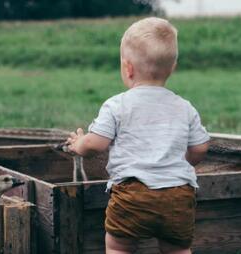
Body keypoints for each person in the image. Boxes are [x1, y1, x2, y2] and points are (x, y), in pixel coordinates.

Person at [66, 17, 210, 254]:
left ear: (128, 68)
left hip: (132, 194)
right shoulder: (184, 107)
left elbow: (95, 144)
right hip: (177, 196)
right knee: (177, 250)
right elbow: (201, 148)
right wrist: (184, 162)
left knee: (119, 247)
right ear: (172, 68)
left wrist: (78, 144)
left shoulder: (117, 105)